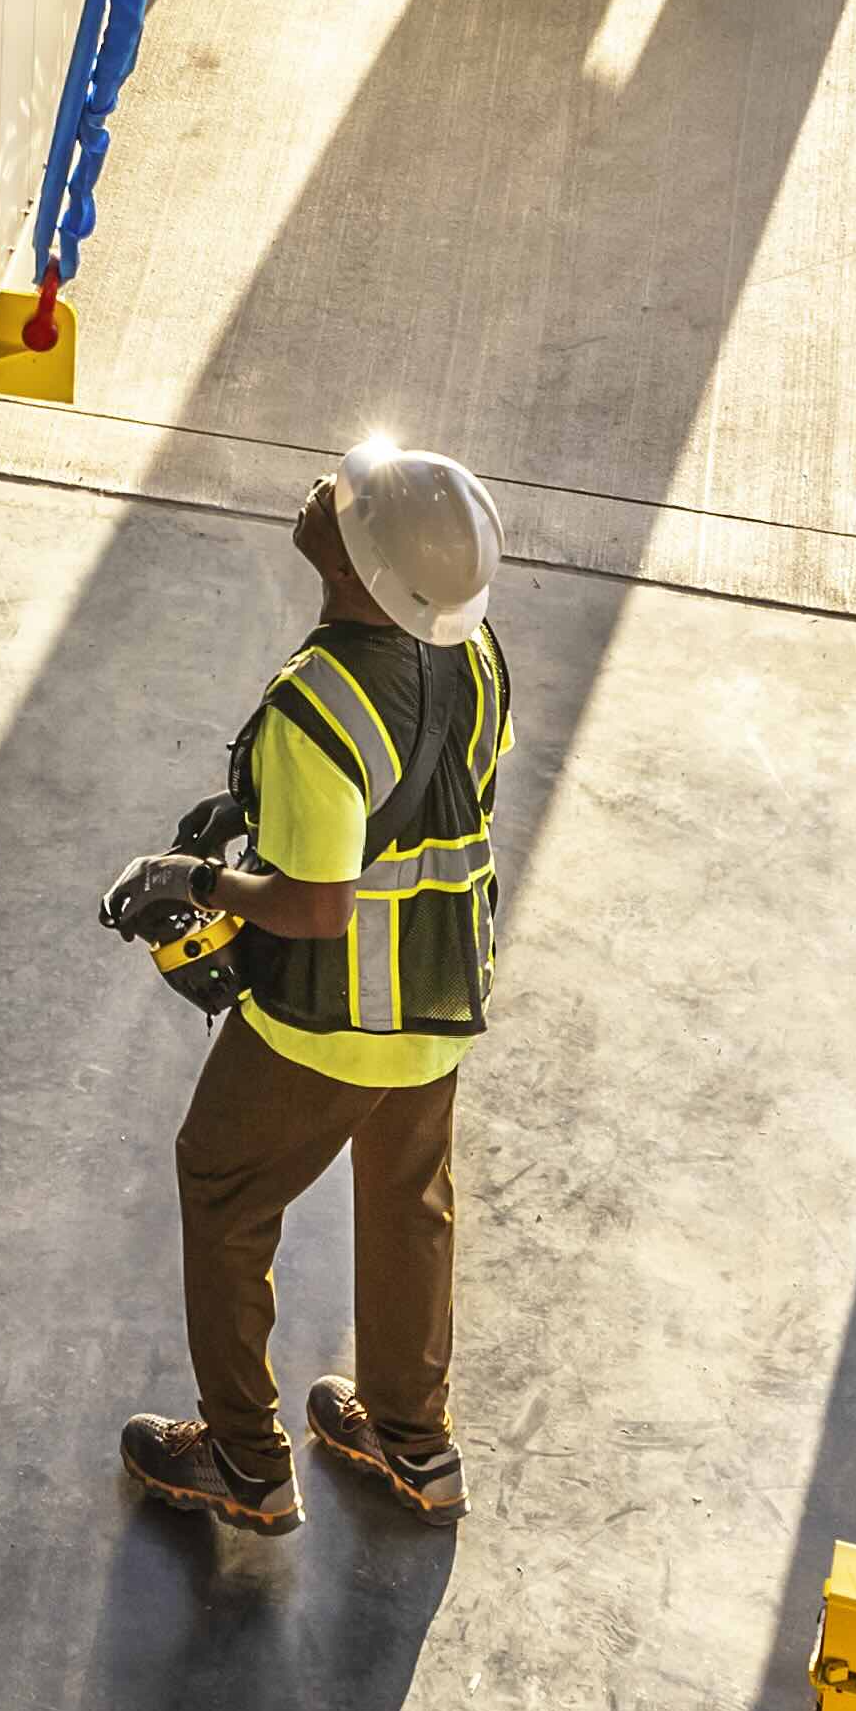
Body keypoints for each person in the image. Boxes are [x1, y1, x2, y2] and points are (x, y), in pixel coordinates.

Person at [121, 440, 512, 1536]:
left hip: (328, 1017)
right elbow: (434, 796)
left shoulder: (315, 703)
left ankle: (244, 1463)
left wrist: (195, 879)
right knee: (407, 1202)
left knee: (221, 1186)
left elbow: (313, 906)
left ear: (356, 565)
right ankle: (412, 1439)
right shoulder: (475, 653)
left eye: (344, 504)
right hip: (438, 990)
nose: (322, 495)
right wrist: (260, 815)